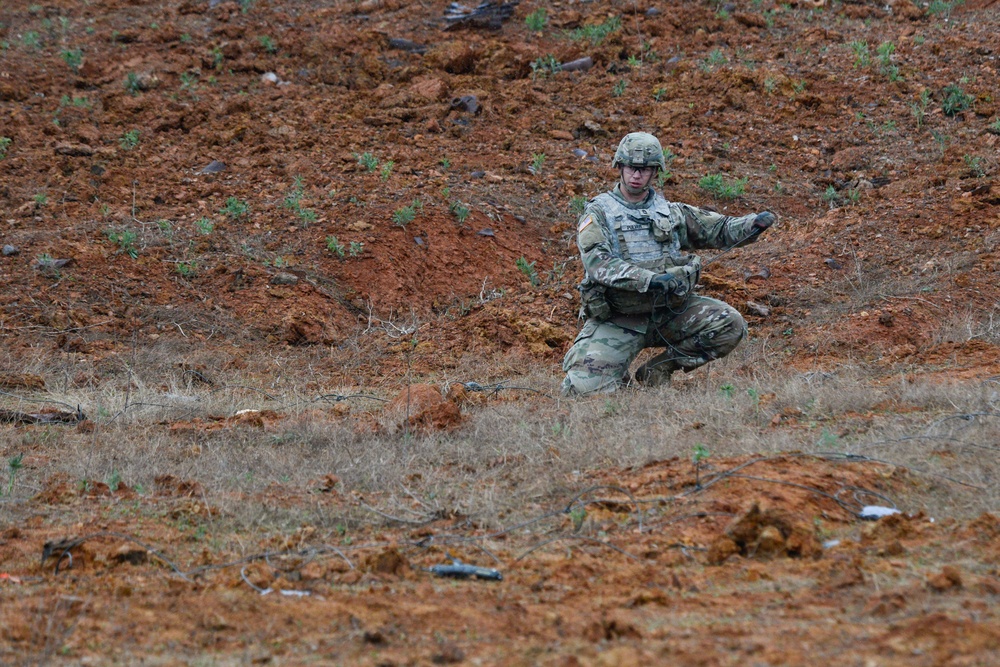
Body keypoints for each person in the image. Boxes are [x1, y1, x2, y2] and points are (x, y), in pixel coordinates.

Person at [561, 132, 775, 396]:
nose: (636, 175)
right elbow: (598, 262)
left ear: (655, 172)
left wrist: (752, 225)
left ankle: (658, 369)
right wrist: (648, 279)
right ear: (620, 167)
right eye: (631, 167)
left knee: (730, 324)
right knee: (581, 389)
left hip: (669, 314)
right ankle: (616, 376)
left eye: (645, 169)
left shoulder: (670, 212)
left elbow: (718, 229)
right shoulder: (598, 212)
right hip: (619, 319)